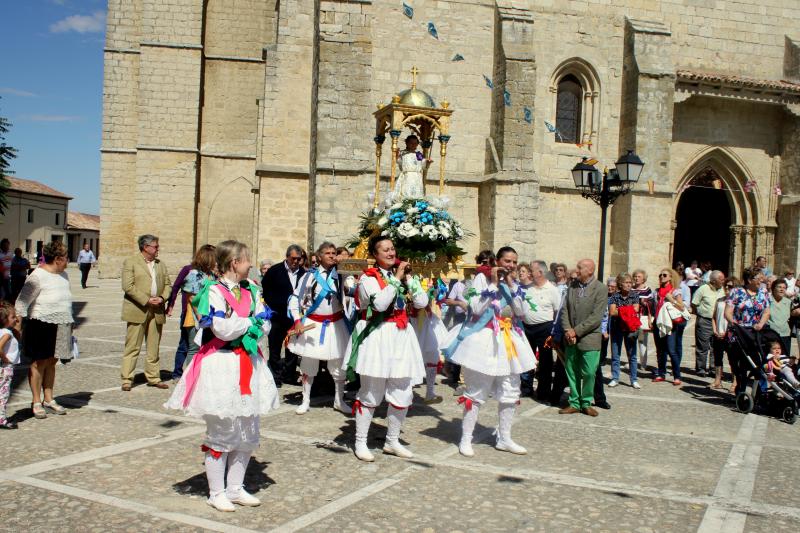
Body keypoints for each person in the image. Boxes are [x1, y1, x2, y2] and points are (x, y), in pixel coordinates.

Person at [165, 240, 279, 512]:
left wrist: (251, 325)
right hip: (221, 365)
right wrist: (250, 323)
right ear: (234, 263)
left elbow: (266, 322)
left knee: (247, 428)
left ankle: (235, 488)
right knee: (222, 430)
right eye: (247, 259)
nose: (251, 263)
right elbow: (222, 329)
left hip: (248, 363)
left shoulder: (252, 288)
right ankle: (216, 492)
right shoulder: (212, 291)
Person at [444, 246, 536, 456]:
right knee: (476, 391)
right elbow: (475, 309)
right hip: (483, 339)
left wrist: (511, 285)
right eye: (507, 261)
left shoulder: (514, 285)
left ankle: (504, 438)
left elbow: (522, 312)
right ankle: (466, 439)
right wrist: (494, 284)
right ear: (497, 261)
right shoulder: (481, 279)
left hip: (508, 341)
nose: (511, 266)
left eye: (514, 262)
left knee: (510, 390)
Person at [345, 235, 427, 461]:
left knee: (403, 390)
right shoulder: (367, 279)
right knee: (371, 392)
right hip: (378, 336)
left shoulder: (401, 276)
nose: (392, 253)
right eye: (386, 250)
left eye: (393, 249)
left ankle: (392, 440)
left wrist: (409, 279)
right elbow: (379, 304)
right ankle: (360, 441)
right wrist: (396, 279)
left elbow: (421, 303)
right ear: (375, 255)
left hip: (401, 336)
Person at [287, 242, 351, 415]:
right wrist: (297, 320)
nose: (332, 255)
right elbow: (295, 299)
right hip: (313, 324)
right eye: (328, 253)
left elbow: (353, 281)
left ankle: (339, 400)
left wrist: (345, 262)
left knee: (338, 364)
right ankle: (305, 400)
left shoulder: (342, 273)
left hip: (336, 324)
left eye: (333, 252)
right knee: (309, 363)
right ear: (320, 256)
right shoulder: (308, 276)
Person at [15, 241, 73, 419]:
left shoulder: (64, 275)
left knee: (52, 362)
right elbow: (21, 302)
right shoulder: (37, 275)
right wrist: (17, 328)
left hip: (62, 323)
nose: (67, 261)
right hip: (41, 322)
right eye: (65, 258)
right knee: (38, 363)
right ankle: (36, 401)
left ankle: (49, 398)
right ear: (57, 259)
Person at [120, 234, 172, 391]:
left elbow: (168, 284)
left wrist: (162, 298)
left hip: (157, 310)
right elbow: (128, 286)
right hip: (138, 308)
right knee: (132, 346)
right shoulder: (131, 262)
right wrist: (146, 299)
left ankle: (154, 377)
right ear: (145, 247)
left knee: (153, 346)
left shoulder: (160, 264)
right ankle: (127, 379)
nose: (158, 249)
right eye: (155, 246)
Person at [559, 259, 606, 416]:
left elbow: (596, 317)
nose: (576, 270)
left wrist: (575, 331)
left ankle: (586, 402)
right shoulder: (572, 286)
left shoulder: (600, 289)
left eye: (580, 268)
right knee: (571, 371)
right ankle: (574, 402)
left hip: (589, 338)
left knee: (589, 372)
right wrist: (567, 330)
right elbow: (564, 309)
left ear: (590, 271)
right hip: (570, 337)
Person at [261, 244, 306, 387]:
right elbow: (266, 290)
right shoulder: (275, 271)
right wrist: (277, 305)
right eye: (293, 258)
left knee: (292, 348)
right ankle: (275, 376)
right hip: (277, 316)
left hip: (294, 318)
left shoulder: (303, 273)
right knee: (274, 347)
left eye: (298, 259)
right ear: (287, 257)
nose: (296, 261)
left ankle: (289, 375)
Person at [173, 246, 217, 381]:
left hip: (208, 315)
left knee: (201, 345)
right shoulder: (194, 274)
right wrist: (200, 318)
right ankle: (189, 378)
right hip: (194, 316)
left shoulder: (211, 274)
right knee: (193, 347)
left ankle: (196, 374)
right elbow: (192, 297)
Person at [520, 261, 562, 403]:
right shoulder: (527, 288)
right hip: (527, 327)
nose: (529, 273)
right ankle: (526, 387)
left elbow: (557, 311)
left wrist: (554, 331)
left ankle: (543, 392)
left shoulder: (552, 290)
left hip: (545, 328)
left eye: (531, 271)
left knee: (545, 361)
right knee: (526, 359)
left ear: (540, 273)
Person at [725, 267, 770, 395]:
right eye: (759, 278)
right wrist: (733, 322)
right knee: (738, 366)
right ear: (749, 279)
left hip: (755, 333)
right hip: (738, 333)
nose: (761, 281)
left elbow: (766, 311)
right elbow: (728, 311)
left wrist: (761, 324)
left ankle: (761, 392)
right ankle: (740, 389)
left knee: (756, 363)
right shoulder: (737, 292)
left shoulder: (763, 292)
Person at [653, 268, 688, 385]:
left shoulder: (675, 291)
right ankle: (661, 373)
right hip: (659, 322)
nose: (661, 277)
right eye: (660, 275)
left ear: (670, 277)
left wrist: (671, 299)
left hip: (670, 324)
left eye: (664, 275)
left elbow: (682, 307)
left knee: (671, 350)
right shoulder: (657, 291)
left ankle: (677, 376)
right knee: (660, 350)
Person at [608, 273, 640, 389]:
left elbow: (636, 309)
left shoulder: (635, 295)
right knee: (616, 355)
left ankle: (634, 379)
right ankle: (615, 378)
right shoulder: (614, 296)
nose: (629, 284)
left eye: (630, 283)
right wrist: (627, 311)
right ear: (621, 284)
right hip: (616, 328)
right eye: (626, 282)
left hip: (630, 328)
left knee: (632, 355)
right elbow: (612, 312)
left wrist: (620, 310)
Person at [691, 270, 725, 377]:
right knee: (702, 346)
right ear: (714, 280)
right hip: (705, 320)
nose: (723, 281)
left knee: (716, 346)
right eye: (721, 279)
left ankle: (713, 369)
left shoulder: (722, 290)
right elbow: (694, 303)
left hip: (718, 321)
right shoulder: (703, 289)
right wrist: (701, 314)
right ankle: (701, 368)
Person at [710, 278, 736, 390]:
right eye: (725, 286)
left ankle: (735, 382)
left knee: (733, 360)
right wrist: (715, 330)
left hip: (730, 335)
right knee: (717, 358)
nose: (726, 288)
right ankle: (717, 380)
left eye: (730, 286)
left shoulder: (737, 302)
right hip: (718, 334)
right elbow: (714, 317)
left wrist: (726, 333)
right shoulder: (719, 300)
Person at [0, 303, 20, 429]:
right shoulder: (7, 333)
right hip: (5, 368)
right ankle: (2, 420)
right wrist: (5, 358)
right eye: (13, 317)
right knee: (3, 395)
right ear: (5, 320)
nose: (16, 319)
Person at [393, 135, 431, 199]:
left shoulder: (419, 155)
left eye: (415, 143)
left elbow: (423, 166)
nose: (413, 145)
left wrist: (428, 162)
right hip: (407, 176)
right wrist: (396, 155)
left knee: (417, 195)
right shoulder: (402, 153)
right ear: (407, 143)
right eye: (411, 143)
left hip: (417, 177)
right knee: (407, 193)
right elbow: (398, 161)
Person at [631, 269, 654, 371]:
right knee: (631, 341)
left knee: (642, 342)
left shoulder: (648, 290)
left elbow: (651, 306)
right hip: (631, 319)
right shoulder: (631, 289)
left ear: (643, 278)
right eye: (635, 276)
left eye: (639, 276)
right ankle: (632, 361)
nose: (636, 278)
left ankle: (643, 363)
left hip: (642, 319)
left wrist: (650, 320)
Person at [768, 278, 792, 356]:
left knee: (784, 359)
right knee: (770, 359)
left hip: (785, 335)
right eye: (779, 287)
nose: (782, 290)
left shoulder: (788, 302)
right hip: (770, 335)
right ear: (773, 288)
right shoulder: (767, 300)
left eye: (784, 288)